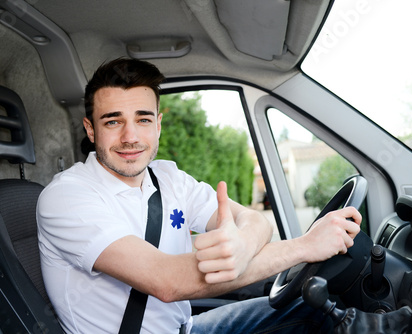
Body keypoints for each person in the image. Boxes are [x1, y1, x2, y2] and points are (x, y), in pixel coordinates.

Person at [37, 57, 362, 333]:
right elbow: (167, 281)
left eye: (143, 119)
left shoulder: (168, 177)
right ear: (91, 129)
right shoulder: (66, 196)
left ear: (159, 125)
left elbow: (253, 220)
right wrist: (305, 247)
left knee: (313, 310)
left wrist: (241, 246)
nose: (130, 136)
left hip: (187, 327)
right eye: (113, 121)